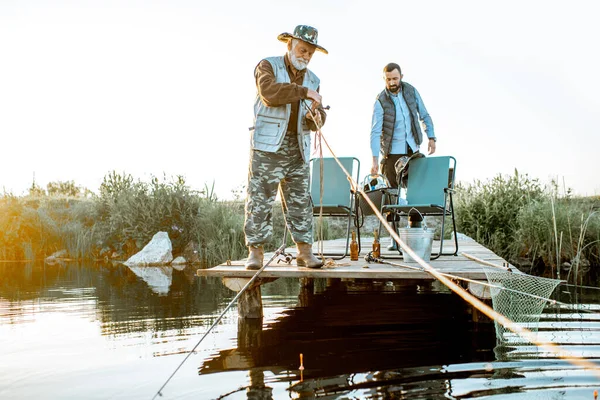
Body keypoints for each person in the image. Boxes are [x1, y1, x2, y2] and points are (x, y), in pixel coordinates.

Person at [243, 25, 328, 270]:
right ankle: (255, 254)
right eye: (302, 50)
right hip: (268, 147)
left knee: (301, 201)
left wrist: (317, 118)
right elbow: (269, 93)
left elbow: (318, 113)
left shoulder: (314, 80)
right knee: (260, 199)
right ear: (289, 45)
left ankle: (304, 252)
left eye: (310, 53)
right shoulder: (267, 66)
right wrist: (303, 92)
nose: (306, 56)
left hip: (298, 147)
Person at [369, 63, 436, 248]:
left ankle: (414, 236)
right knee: (392, 195)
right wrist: (375, 160)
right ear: (384, 79)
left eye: (395, 78)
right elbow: (375, 132)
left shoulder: (411, 92)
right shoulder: (380, 100)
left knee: (416, 193)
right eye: (388, 79)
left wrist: (431, 137)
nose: (392, 82)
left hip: (412, 149)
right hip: (392, 153)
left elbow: (424, 115)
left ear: (401, 76)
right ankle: (395, 241)